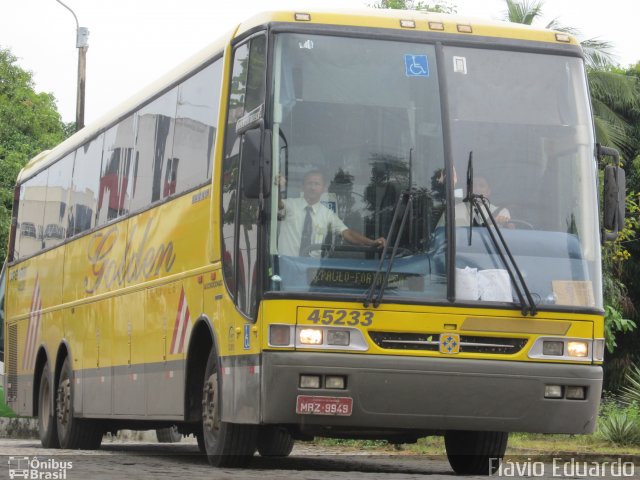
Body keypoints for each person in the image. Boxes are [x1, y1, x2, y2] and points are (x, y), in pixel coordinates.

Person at [277, 170, 385, 256]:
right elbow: (276, 204)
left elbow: (347, 233)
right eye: (309, 183)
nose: (313, 187)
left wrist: (371, 242)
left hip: (311, 270)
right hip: (287, 264)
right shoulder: (290, 205)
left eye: (317, 184)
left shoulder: (327, 214)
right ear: (303, 187)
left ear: (324, 189)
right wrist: (276, 187)